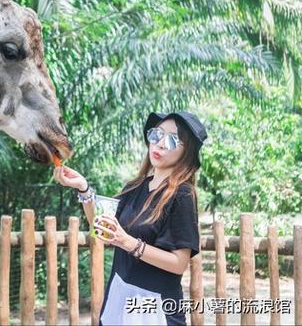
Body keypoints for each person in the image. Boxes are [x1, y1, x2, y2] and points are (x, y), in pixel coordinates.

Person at [53, 111, 207, 325]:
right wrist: (83, 188)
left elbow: (179, 263)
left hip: (155, 310)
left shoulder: (182, 195)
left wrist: (127, 242)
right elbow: (101, 227)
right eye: (157, 135)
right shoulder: (135, 188)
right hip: (120, 297)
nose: (160, 144)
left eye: (172, 140)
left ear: (187, 153)